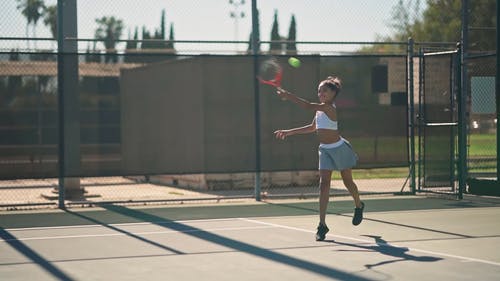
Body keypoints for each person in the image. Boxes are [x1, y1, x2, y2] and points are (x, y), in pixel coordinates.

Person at [274, 76, 364, 241]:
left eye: (324, 90)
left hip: (339, 149)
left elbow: (307, 105)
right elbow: (312, 127)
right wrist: (289, 132)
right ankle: (322, 224)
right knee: (323, 185)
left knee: (348, 182)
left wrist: (289, 96)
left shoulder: (329, 108)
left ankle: (358, 205)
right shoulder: (319, 110)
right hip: (325, 150)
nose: (321, 93)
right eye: (319, 91)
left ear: (333, 93)